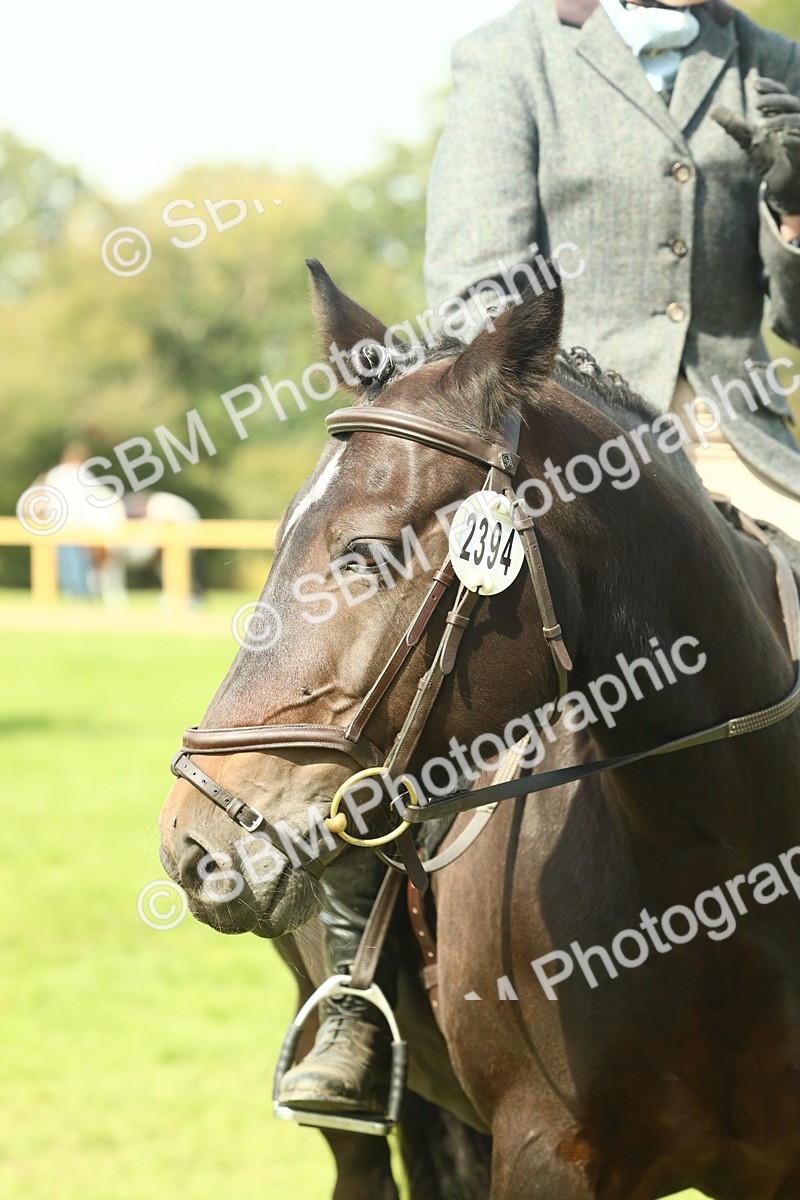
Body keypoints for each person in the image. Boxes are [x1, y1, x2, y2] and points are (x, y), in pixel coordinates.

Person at [278, 0, 800, 1118]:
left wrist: (795, 220)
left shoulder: (773, 62)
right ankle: (357, 994)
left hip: (730, 432)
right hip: (550, 434)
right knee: (410, 641)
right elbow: (475, 287)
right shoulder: (508, 58)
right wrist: (584, 412)